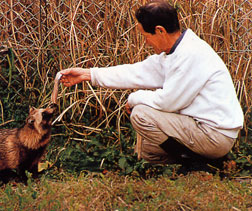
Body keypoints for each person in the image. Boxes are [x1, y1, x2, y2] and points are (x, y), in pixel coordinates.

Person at [58, 0, 244, 164]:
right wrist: (88, 74)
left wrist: (133, 99)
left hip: (214, 135)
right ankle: (208, 161)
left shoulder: (190, 55)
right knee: (146, 150)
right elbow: (136, 72)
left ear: (160, 31)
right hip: (201, 129)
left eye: (146, 36)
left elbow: (168, 102)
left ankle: (199, 164)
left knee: (140, 114)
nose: (146, 42)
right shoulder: (176, 51)